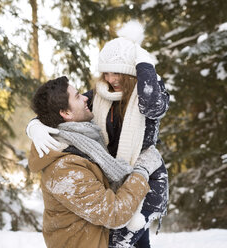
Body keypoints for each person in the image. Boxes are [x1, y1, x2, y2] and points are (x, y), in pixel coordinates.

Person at [27, 38, 169, 248]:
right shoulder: (67, 165)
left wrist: (144, 62)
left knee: (139, 239)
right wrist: (34, 126)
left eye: (117, 71)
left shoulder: (146, 92)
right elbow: (115, 214)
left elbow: (153, 106)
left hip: (133, 187)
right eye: (106, 72)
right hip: (112, 206)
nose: (110, 79)